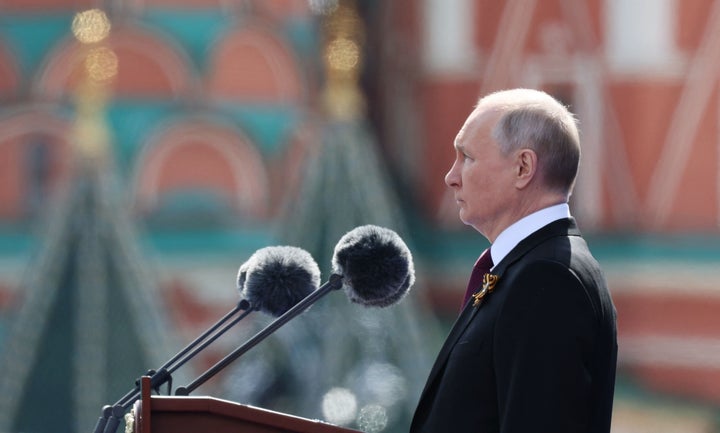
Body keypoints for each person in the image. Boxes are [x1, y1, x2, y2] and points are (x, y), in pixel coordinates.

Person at [410, 88, 617, 433]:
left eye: (467, 157)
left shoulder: (548, 280)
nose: (451, 176)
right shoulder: (527, 268)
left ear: (523, 167)